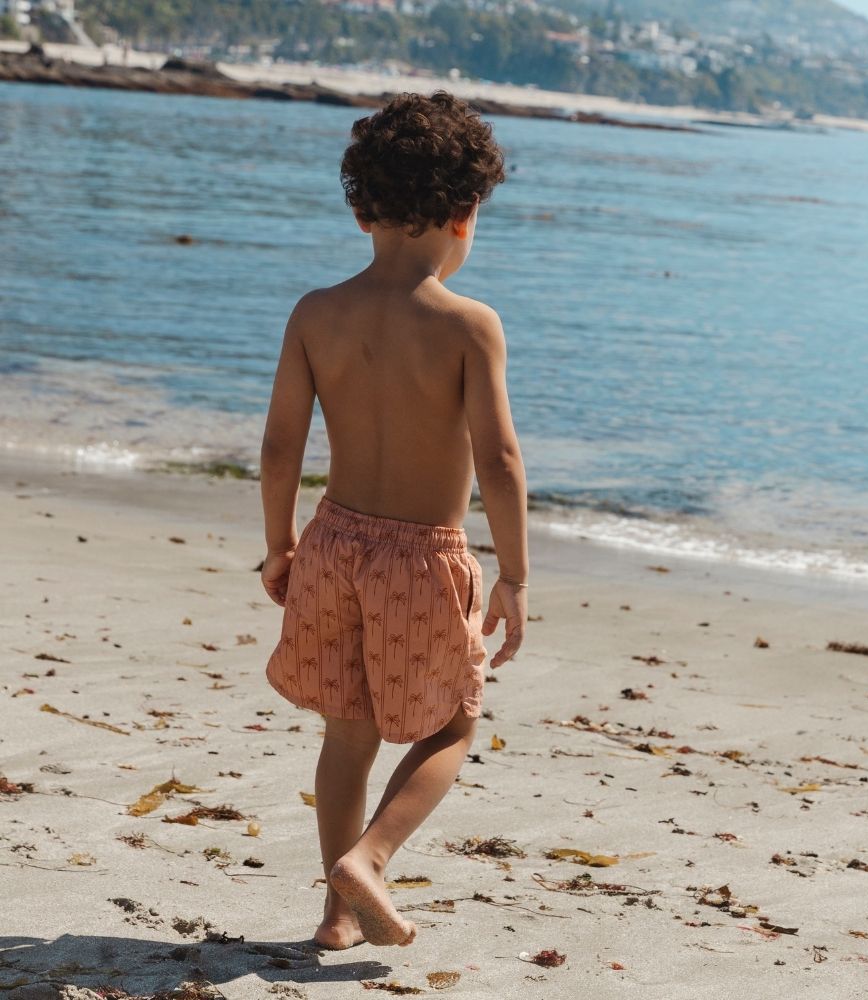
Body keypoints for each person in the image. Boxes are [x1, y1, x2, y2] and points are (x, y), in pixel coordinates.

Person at [258, 92, 528, 951]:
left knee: (348, 730)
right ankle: (369, 859)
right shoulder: (469, 325)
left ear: (361, 210)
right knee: (452, 722)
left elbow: (279, 446)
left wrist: (279, 545)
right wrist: (515, 575)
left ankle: (337, 915)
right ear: (464, 214)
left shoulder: (316, 313)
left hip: (332, 542)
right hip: (423, 560)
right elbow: (500, 461)